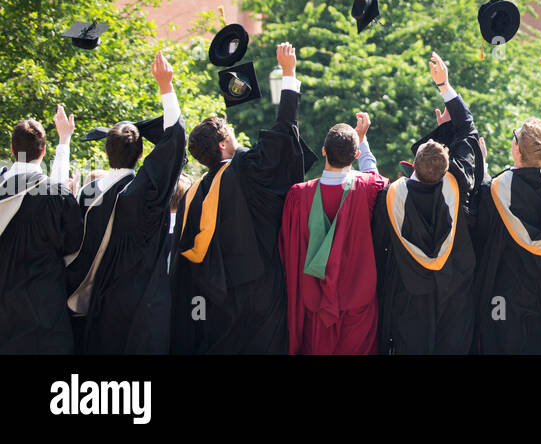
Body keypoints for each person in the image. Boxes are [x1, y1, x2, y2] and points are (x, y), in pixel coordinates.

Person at [171, 42, 313, 354]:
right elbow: (284, 134)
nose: (235, 134)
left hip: (216, 302)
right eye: (231, 132)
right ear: (222, 145)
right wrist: (289, 74)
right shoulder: (244, 170)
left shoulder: (194, 194)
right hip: (262, 290)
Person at [66, 53, 189, 354]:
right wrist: (166, 87)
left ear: (106, 152)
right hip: (145, 303)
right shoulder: (143, 192)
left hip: (102, 301)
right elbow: (174, 142)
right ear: (139, 154)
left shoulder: (89, 194)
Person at [473, 42, 541, 354]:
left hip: (507, 297)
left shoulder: (495, 189)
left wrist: (480, 165)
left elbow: (479, 229)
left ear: (516, 149)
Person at [372, 52, 478, 355]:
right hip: (455, 293)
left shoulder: (390, 197)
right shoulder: (458, 186)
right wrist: (444, 85)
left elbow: (380, 246)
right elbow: (468, 128)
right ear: (447, 168)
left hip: (410, 297)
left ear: (413, 165)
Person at [280, 97, 387, 355]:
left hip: (314, 305)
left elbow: (286, 252)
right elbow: (374, 176)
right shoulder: (367, 188)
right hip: (357, 304)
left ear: (324, 150)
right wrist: (362, 139)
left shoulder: (298, 195)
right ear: (356, 156)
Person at [0, 108, 80, 353]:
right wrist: (64, 140)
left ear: (12, 150)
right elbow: (74, 246)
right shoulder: (57, 195)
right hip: (46, 307)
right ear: (43, 151)